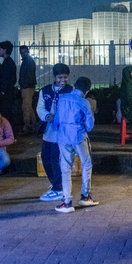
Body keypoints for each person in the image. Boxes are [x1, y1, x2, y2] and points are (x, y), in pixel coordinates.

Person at [54, 77, 98, 213]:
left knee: (65, 168)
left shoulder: (62, 99)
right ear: (87, 90)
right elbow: (89, 126)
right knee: (86, 163)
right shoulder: (84, 102)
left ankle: (66, 202)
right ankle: (86, 196)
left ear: (74, 86)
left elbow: (56, 120)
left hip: (63, 137)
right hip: (79, 137)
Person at [35, 63, 73, 201]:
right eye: (60, 77)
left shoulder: (71, 90)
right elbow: (40, 107)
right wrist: (46, 116)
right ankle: (55, 184)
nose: (63, 80)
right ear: (54, 77)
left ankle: (59, 188)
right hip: (49, 132)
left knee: (56, 160)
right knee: (46, 159)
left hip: (62, 133)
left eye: (65, 77)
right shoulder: (45, 91)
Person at [19, 45, 37, 134]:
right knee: (28, 107)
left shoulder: (27, 62)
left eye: (23, 52)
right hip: (29, 86)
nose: (22, 54)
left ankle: (27, 127)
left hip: (27, 87)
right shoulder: (29, 61)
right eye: (21, 52)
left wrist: (24, 85)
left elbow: (27, 76)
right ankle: (33, 126)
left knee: (26, 107)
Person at [0, 41, 16, 123]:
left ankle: (8, 132)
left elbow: (6, 78)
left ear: (4, 50)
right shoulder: (9, 61)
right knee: (8, 113)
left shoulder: (7, 63)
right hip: (8, 92)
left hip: (6, 93)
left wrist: (3, 91)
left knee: (5, 113)